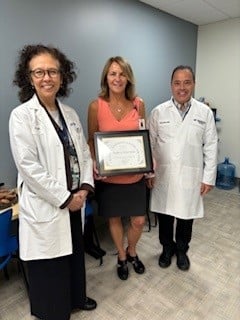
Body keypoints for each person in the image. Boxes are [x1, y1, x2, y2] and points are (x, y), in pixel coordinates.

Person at [9, 44, 97, 320]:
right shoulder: (22, 116)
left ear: (62, 76)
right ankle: (54, 310)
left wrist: (83, 188)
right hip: (50, 203)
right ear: (29, 77)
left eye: (52, 71)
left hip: (75, 198)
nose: (46, 77)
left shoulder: (69, 113)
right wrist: (65, 197)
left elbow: (83, 153)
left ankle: (76, 298)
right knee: (50, 262)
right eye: (39, 72)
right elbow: (28, 167)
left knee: (73, 254)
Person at [147, 65, 218, 271]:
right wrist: (150, 173)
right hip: (164, 175)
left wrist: (208, 177)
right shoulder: (158, 112)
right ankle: (166, 249)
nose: (182, 87)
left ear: (193, 84)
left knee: (186, 217)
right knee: (166, 215)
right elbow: (150, 145)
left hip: (191, 174)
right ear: (171, 85)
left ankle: (182, 251)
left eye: (187, 82)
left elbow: (212, 145)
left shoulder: (204, 113)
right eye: (177, 83)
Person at [87, 56, 147, 280]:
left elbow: (143, 138)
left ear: (128, 77)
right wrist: (96, 164)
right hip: (109, 179)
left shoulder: (138, 104)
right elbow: (91, 140)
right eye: (113, 73)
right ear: (106, 77)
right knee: (114, 219)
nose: (117, 78)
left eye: (122, 73)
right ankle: (122, 256)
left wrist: (148, 168)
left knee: (138, 220)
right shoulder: (96, 106)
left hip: (135, 176)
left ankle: (132, 250)